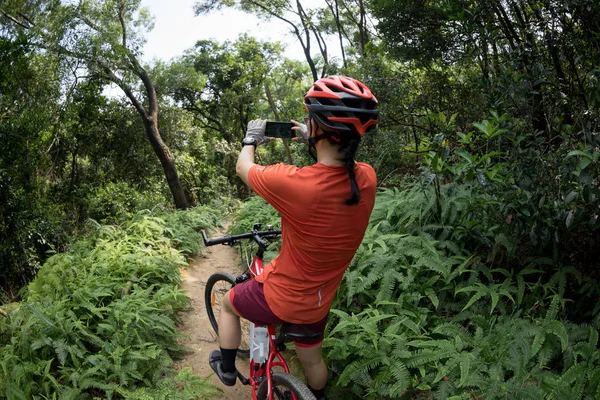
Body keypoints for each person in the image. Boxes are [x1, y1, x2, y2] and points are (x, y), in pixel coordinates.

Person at [208, 75, 379, 400]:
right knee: (312, 357)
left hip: (281, 298)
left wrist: (250, 139)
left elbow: (243, 168)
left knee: (229, 305)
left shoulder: (296, 184)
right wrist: (312, 135)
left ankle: (227, 368)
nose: (304, 123)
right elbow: (340, 164)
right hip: (320, 301)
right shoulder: (366, 178)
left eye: (308, 119)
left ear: (321, 129)